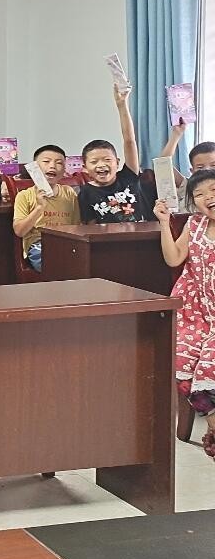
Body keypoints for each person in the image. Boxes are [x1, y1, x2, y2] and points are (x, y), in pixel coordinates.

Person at [157, 170, 215, 457]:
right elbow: (174, 258)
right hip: (195, 313)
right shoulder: (194, 224)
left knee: (208, 368)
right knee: (179, 363)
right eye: (199, 195)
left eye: (213, 190)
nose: (208, 198)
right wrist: (164, 223)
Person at [79, 85, 149, 224]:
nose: (101, 165)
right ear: (85, 167)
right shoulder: (85, 192)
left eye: (107, 160)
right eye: (94, 162)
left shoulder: (128, 177)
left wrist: (122, 105)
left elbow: (129, 141)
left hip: (140, 234)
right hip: (107, 238)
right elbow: (89, 226)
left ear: (117, 162)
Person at [12, 145, 80, 272]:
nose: (52, 166)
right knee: (59, 266)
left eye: (59, 163)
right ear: (35, 167)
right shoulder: (24, 195)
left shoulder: (69, 193)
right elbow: (19, 231)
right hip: (39, 245)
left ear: (64, 170)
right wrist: (39, 207)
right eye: (46, 161)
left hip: (67, 243)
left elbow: (77, 226)